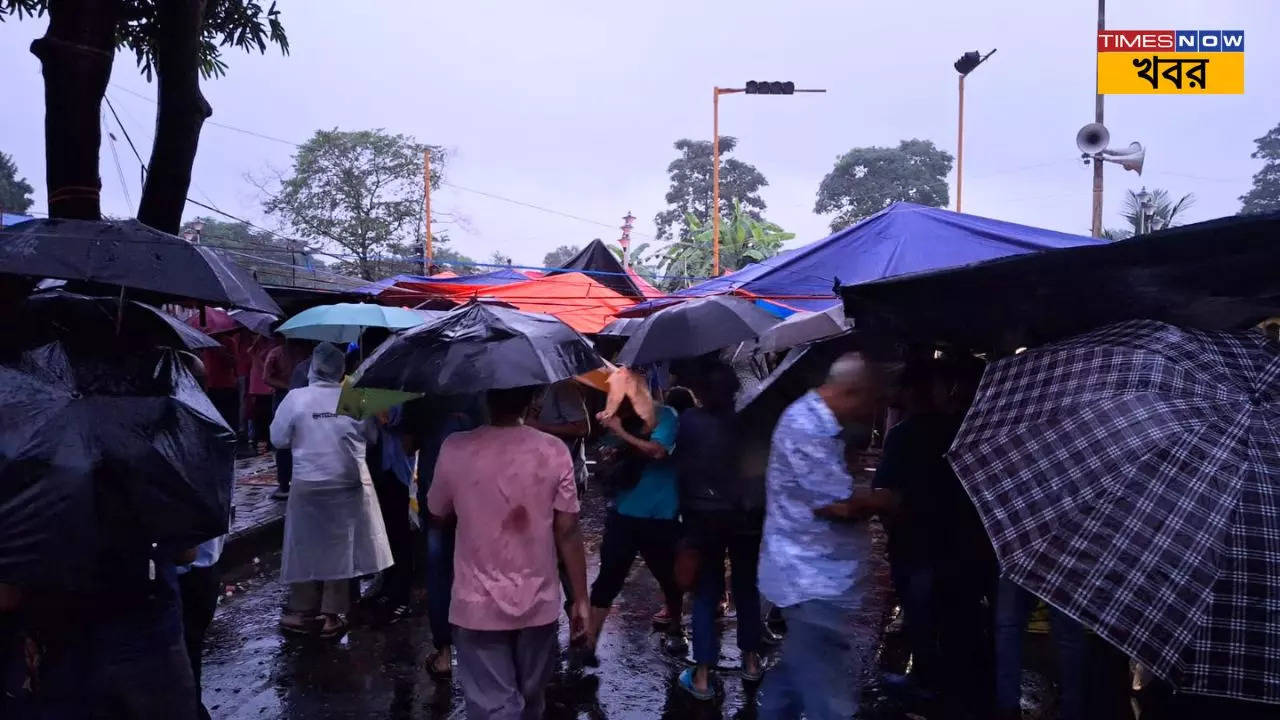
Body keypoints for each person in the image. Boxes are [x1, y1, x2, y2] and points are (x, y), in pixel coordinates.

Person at [427, 385, 590, 720]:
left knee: (496, 706)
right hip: (539, 603)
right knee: (530, 702)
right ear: (532, 400)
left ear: (486, 398)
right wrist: (581, 600)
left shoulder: (455, 448)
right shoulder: (554, 450)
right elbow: (568, 531)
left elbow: (436, 513)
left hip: (476, 605)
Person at [757, 353, 896, 719]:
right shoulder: (808, 427)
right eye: (869, 399)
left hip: (817, 573)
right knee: (827, 693)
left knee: (796, 672)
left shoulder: (823, 424)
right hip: (809, 576)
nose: (871, 409)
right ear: (852, 391)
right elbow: (836, 505)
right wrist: (883, 499)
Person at [874, 358, 997, 716]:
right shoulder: (967, 430)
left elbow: (887, 494)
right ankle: (963, 688)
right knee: (958, 618)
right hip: (963, 545)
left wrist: (889, 526)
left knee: (923, 619)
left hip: (917, 545)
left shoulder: (904, 435)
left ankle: (928, 686)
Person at [271, 343, 393, 638]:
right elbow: (372, 437)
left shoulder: (296, 398)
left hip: (307, 482)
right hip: (347, 481)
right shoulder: (353, 398)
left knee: (306, 544)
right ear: (341, 370)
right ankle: (332, 614)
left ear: (312, 368)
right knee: (341, 545)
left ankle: (302, 609)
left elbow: (278, 439)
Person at [675, 363, 764, 699]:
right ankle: (752, 661)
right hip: (744, 519)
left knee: (706, 592)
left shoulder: (689, 422)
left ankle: (701, 676)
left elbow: (683, 471)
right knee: (745, 587)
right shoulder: (750, 422)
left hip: (702, 519)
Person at [585, 394, 686, 660]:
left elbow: (658, 450)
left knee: (669, 578)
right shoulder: (620, 420)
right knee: (608, 578)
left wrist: (620, 432)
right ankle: (588, 645)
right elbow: (606, 454)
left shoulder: (666, 416)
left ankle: (676, 627)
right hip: (623, 513)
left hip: (660, 515)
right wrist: (611, 447)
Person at [265, 337, 308, 500]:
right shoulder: (276, 353)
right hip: (284, 396)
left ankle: (288, 483)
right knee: (284, 439)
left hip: (302, 397)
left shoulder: (304, 353)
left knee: (295, 439)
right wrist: (288, 387)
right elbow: (266, 377)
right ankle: (284, 484)